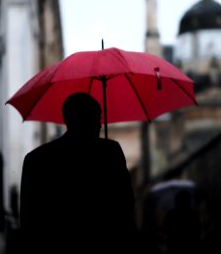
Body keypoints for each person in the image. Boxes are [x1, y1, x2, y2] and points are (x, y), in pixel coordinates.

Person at [20, 92, 140, 253]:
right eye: (97, 118)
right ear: (84, 120)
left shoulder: (37, 159)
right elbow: (126, 203)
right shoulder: (110, 152)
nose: (100, 125)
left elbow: (29, 220)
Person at [162, 188, 200, 254]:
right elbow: (197, 230)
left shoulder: (171, 213)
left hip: (174, 246)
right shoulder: (193, 214)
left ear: (176, 200)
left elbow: (164, 229)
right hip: (190, 246)